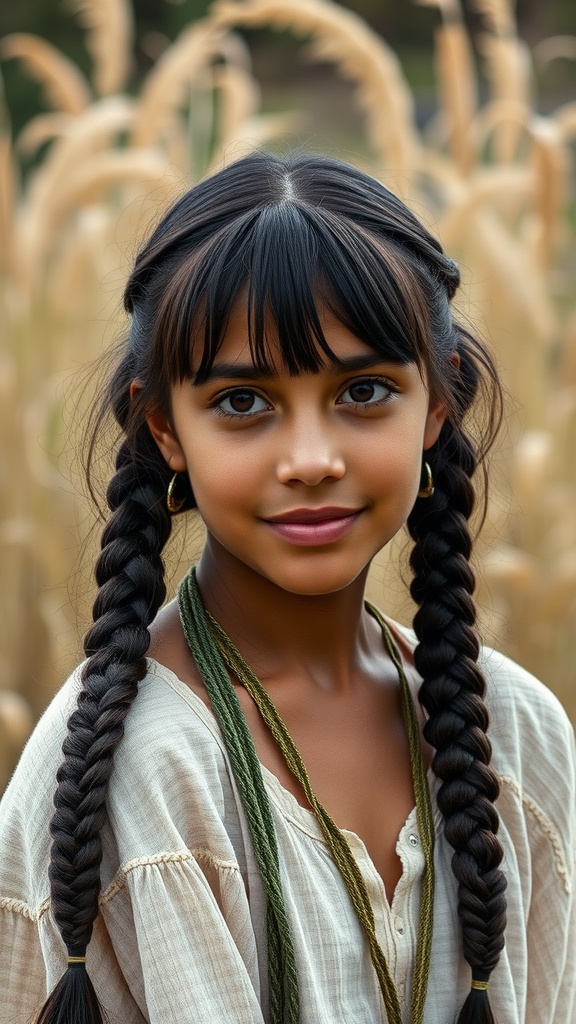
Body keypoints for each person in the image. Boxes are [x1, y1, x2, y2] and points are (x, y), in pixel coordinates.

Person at [0, 152, 573, 1024]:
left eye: (365, 391)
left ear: (436, 405)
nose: (311, 460)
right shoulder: (137, 769)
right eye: (243, 402)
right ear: (165, 427)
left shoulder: (520, 734)